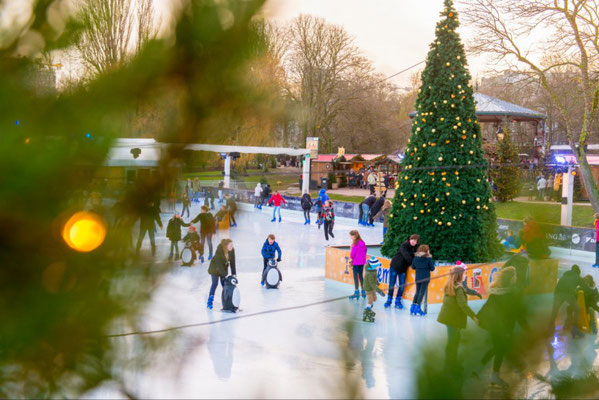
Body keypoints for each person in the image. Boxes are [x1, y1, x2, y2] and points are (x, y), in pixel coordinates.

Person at [477, 267, 518, 388]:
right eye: (514, 276)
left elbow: (486, 308)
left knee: (497, 348)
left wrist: (480, 318)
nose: (516, 278)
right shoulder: (508, 295)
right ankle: (493, 375)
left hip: (495, 326)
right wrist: (509, 330)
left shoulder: (497, 293)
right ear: (510, 279)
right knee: (499, 349)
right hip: (501, 328)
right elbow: (510, 314)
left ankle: (479, 369)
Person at [437, 267, 478, 370]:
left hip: (449, 317)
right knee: (453, 342)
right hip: (453, 318)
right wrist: (474, 316)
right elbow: (463, 305)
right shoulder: (458, 288)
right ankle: (451, 365)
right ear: (460, 275)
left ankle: (450, 362)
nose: (465, 276)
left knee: (453, 340)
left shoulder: (450, 285)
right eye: (464, 274)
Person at [550, 264, 586, 337]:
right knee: (577, 309)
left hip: (558, 293)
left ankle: (549, 329)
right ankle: (575, 329)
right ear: (578, 272)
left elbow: (560, 286)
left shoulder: (564, 276)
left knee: (554, 311)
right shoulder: (577, 277)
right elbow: (586, 288)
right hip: (568, 294)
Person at [386, 234, 419, 309]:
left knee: (401, 286)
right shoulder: (404, 245)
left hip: (403, 269)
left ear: (417, 242)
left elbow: (415, 257)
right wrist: (414, 264)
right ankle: (389, 300)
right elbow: (407, 256)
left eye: (415, 241)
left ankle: (398, 301)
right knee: (391, 284)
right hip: (395, 266)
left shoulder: (414, 248)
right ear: (410, 239)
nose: (413, 242)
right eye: (412, 240)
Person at [207, 238, 236, 309]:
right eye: (230, 246)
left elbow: (232, 262)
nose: (232, 247)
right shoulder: (219, 251)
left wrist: (234, 274)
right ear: (226, 246)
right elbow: (219, 265)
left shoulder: (232, 250)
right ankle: (210, 301)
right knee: (215, 283)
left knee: (225, 285)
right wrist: (225, 276)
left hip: (223, 269)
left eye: (232, 245)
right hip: (214, 269)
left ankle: (227, 301)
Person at [411, 244, 435, 316]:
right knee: (421, 293)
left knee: (417, 292)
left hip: (418, 277)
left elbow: (413, 267)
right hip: (425, 278)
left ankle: (412, 308)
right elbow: (432, 268)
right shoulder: (428, 258)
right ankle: (418, 308)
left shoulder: (415, 258)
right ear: (426, 251)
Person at [362, 256, 386, 323]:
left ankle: (369, 306)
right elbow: (372, 284)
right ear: (373, 266)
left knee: (374, 299)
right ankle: (367, 310)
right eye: (377, 266)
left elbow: (374, 279)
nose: (378, 267)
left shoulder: (373, 270)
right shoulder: (370, 273)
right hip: (368, 288)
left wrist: (377, 282)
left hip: (372, 286)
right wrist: (380, 291)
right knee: (370, 299)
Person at [349, 230, 367, 299]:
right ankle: (363, 291)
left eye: (351, 236)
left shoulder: (355, 243)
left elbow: (352, 254)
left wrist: (352, 259)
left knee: (355, 277)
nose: (350, 238)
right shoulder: (362, 242)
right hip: (362, 263)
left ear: (354, 236)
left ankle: (356, 291)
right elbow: (365, 250)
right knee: (361, 276)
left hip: (356, 263)